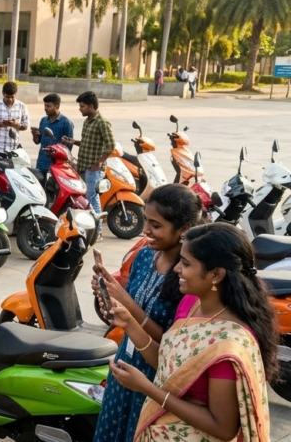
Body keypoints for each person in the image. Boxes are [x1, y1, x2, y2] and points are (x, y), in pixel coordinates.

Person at [108, 223, 277, 442]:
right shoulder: (190, 303)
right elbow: (172, 365)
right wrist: (129, 324)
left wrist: (147, 388)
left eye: (186, 263)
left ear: (215, 274)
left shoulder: (228, 345)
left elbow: (223, 428)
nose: (176, 269)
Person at [89, 184, 204, 442]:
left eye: (156, 225)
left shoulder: (188, 276)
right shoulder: (143, 256)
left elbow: (171, 343)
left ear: (183, 229)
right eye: (145, 221)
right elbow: (124, 314)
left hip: (153, 377)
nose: (146, 230)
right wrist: (108, 298)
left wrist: (127, 304)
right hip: (125, 364)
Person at [62, 91, 114, 235]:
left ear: (91, 106)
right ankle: (89, 228)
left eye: (82, 106)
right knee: (86, 200)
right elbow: (88, 142)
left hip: (94, 169)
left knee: (92, 199)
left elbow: (111, 146)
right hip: (83, 166)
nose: (80, 109)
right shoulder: (88, 121)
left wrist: (99, 163)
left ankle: (97, 231)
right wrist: (74, 142)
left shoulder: (102, 122)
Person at [31, 94, 74, 177]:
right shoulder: (43, 120)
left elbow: (68, 148)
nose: (45, 108)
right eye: (45, 106)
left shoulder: (66, 123)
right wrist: (35, 136)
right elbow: (38, 141)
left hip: (57, 166)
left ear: (57, 106)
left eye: (48, 106)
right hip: (41, 163)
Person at [0, 81, 29, 158]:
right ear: (3, 93)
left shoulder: (21, 106)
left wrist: (16, 125)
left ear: (15, 94)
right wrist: (1, 124)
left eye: (12, 97)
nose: (10, 99)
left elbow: (25, 126)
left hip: (14, 149)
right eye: (7, 97)